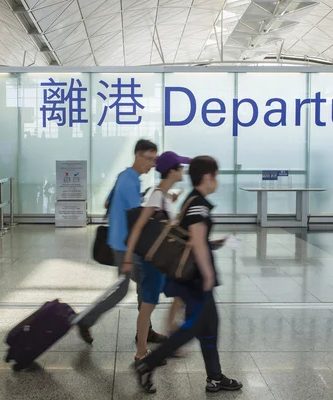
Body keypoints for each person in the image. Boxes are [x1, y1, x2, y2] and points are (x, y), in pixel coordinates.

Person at [133, 156, 243, 394]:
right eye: (216, 176)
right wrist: (208, 276)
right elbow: (198, 242)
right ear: (207, 177)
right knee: (193, 327)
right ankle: (146, 364)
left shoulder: (192, 200)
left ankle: (214, 377)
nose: (217, 181)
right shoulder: (198, 203)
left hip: (194, 277)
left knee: (210, 325)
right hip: (195, 279)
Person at [78, 139, 167, 345]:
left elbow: (108, 202)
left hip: (121, 241)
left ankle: (146, 331)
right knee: (126, 290)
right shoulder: (130, 181)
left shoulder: (125, 176)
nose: (153, 164)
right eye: (150, 158)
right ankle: (85, 320)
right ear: (138, 155)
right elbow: (138, 219)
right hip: (125, 245)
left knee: (142, 286)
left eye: (155, 159)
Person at [123, 152, 190, 361]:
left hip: (164, 261)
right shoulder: (156, 194)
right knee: (148, 305)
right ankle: (141, 352)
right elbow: (139, 226)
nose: (183, 171)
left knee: (179, 295)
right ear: (172, 171)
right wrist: (127, 258)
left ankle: (172, 343)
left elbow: (164, 224)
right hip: (153, 262)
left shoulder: (163, 195)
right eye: (180, 167)